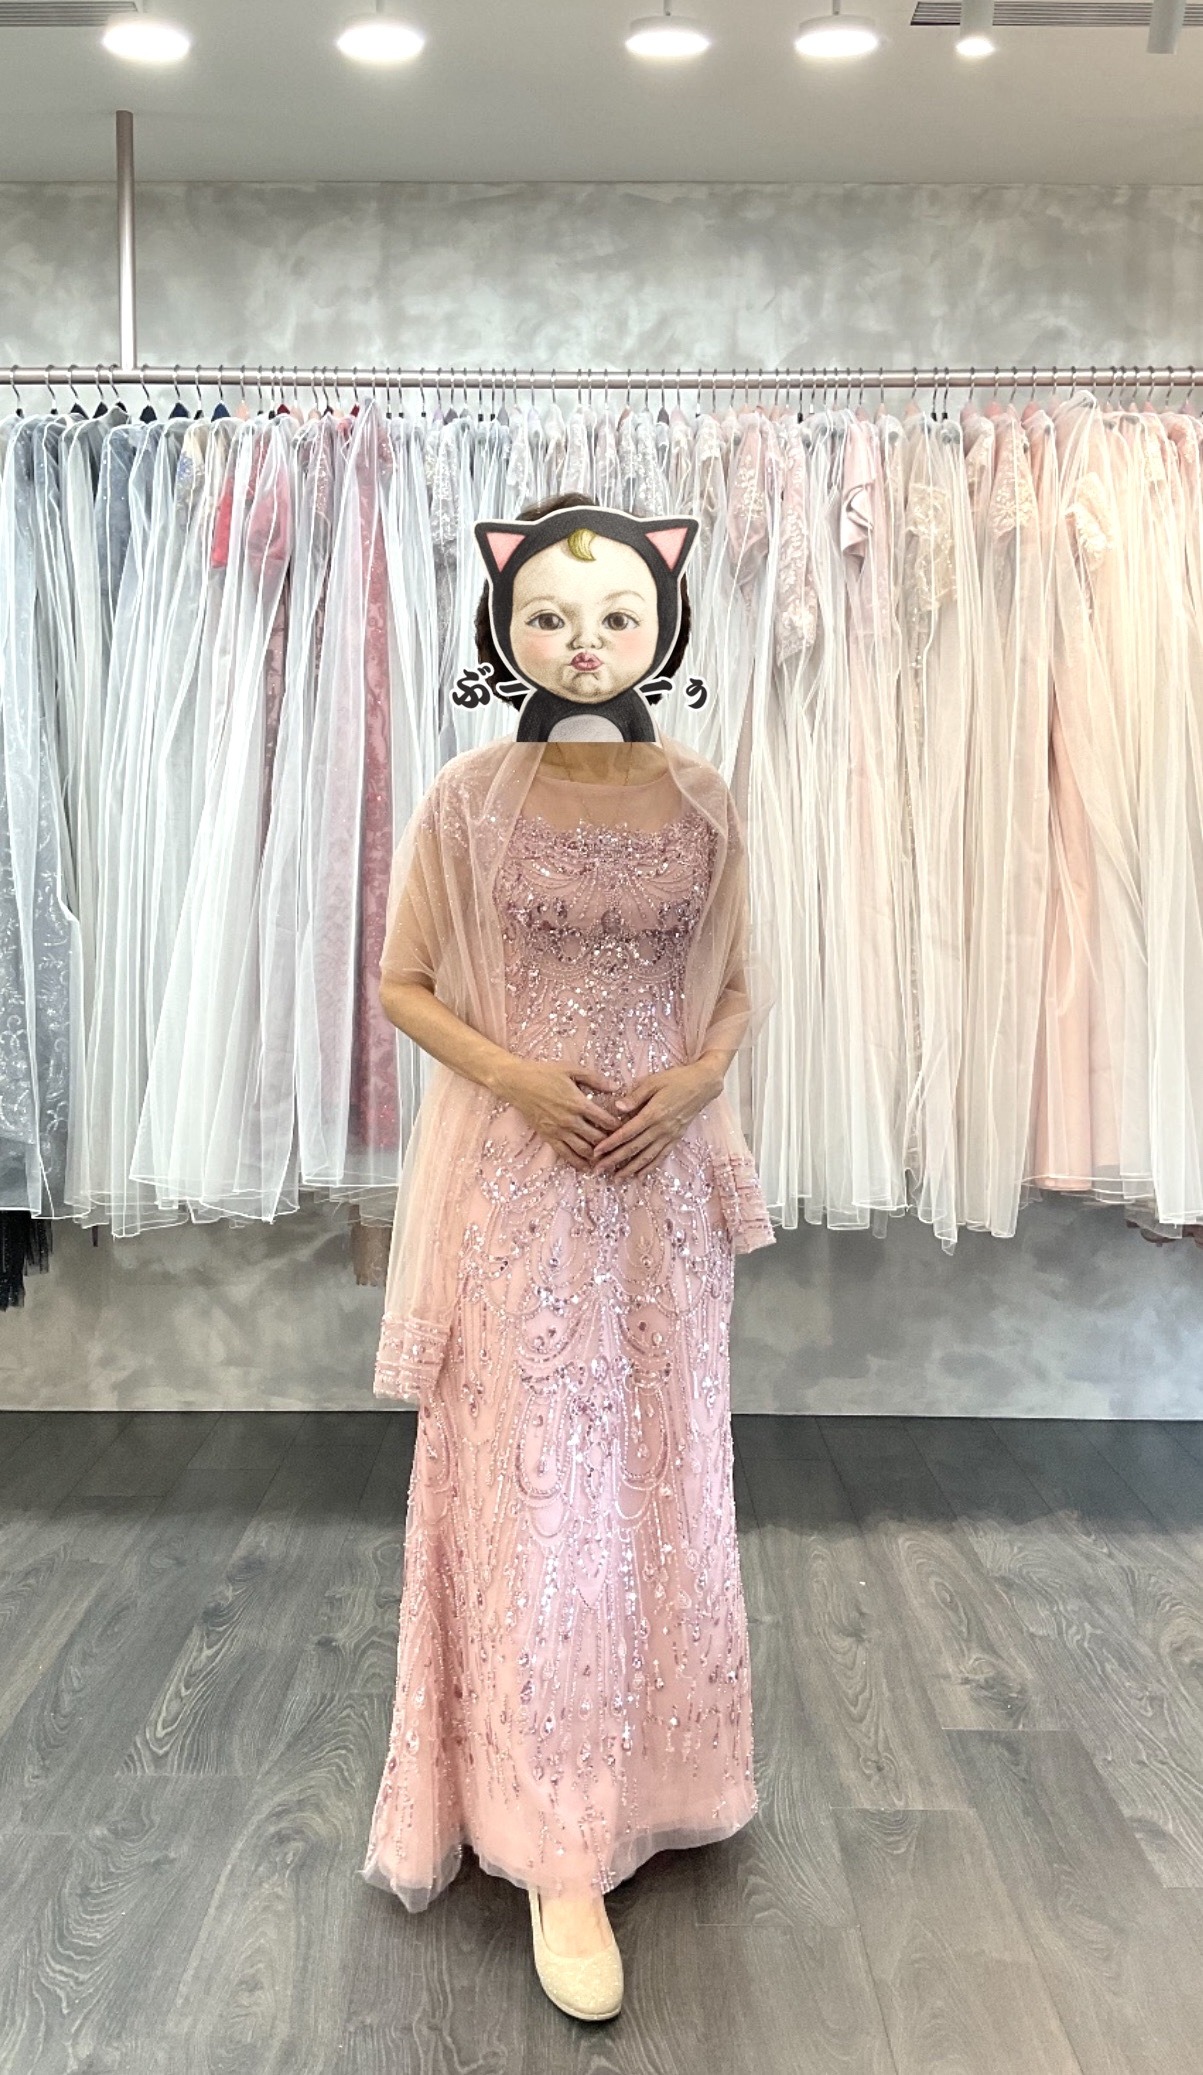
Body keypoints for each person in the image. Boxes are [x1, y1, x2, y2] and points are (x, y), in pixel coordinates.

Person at [360, 491, 776, 2022]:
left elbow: (736, 987)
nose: (585, 643)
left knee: (660, 1474)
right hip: (519, 1199)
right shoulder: (468, 798)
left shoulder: (707, 799)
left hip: (659, 1201)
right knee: (536, 1493)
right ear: (504, 623)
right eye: (550, 615)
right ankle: (553, 1837)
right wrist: (519, 1079)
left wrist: (696, 1082)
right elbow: (403, 980)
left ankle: (661, 1770)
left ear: (663, 623)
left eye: (615, 617)